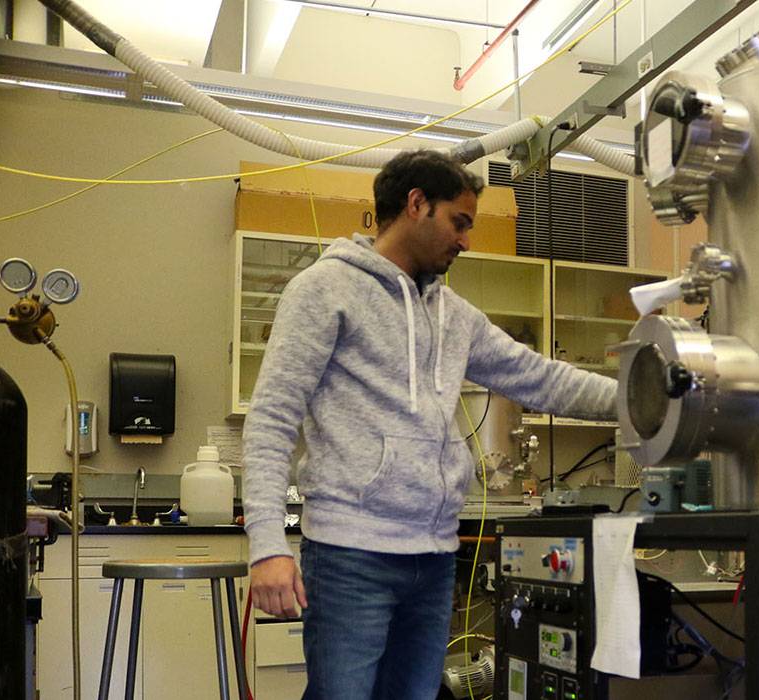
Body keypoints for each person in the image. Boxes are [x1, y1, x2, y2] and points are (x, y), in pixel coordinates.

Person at [242, 150, 616, 700]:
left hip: (435, 557)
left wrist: (642, 398)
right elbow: (272, 418)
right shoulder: (325, 290)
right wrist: (267, 545)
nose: (466, 241)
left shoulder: (455, 316)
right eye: (459, 222)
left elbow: (541, 379)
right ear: (416, 204)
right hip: (352, 552)